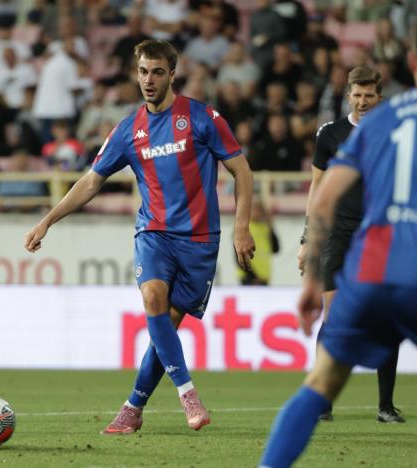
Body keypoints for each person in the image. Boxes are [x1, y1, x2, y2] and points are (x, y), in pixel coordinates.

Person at [260, 11, 417, 467]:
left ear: (412, 60)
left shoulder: (379, 122)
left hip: (370, 273)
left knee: (320, 382)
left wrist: (310, 281)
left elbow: (323, 198)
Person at [24, 39, 255, 434]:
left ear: (172, 74)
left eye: (157, 72)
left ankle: (132, 408)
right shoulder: (128, 130)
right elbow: (91, 181)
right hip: (154, 233)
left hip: (200, 240)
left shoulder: (202, 118)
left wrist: (242, 227)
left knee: (164, 330)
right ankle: (188, 394)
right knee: (152, 298)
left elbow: (242, 172)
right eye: (143, 72)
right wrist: (47, 221)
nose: (149, 80)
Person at [297, 64, 404, 423]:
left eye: (369, 95)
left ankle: (385, 406)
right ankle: (323, 403)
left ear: (379, 97)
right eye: (357, 95)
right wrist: (307, 239)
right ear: (348, 96)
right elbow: (317, 188)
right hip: (339, 236)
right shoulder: (330, 134)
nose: (362, 101)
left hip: (379, 236)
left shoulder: (393, 132)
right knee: (333, 315)